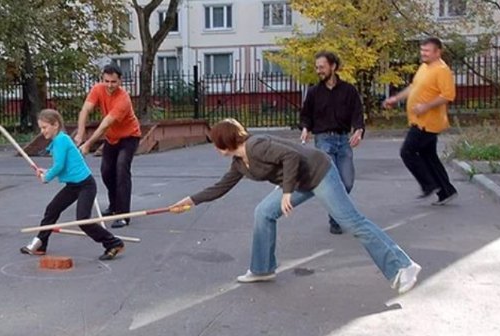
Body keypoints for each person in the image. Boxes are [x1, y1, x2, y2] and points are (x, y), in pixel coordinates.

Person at [169, 118, 422, 294]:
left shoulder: (256, 146)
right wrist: (190, 201)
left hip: (319, 173)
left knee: (352, 222)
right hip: (299, 182)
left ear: (226, 140)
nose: (215, 149)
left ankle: (403, 265)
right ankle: (262, 268)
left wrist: (287, 191)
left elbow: (292, 156)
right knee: (263, 213)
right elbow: (220, 186)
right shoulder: (239, 163)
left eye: (216, 143)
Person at [20, 109, 126, 261]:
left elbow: (59, 166)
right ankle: (40, 244)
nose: (42, 131)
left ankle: (113, 243)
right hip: (73, 185)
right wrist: (46, 171)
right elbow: (62, 166)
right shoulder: (58, 141)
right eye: (41, 128)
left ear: (55, 125)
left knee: (83, 220)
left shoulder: (61, 140)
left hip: (85, 185)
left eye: (44, 127)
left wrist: (46, 177)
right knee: (52, 209)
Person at [383, 37, 458, 205]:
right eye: (422, 50)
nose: (423, 54)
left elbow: (448, 95)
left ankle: (428, 185)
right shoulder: (425, 67)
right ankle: (446, 191)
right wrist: (395, 98)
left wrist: (426, 106)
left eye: (427, 51)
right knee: (429, 156)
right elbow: (413, 87)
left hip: (429, 122)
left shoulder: (442, 70)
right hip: (418, 120)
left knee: (407, 152)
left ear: (438, 52)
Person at [300, 51, 365, 235]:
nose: (318, 70)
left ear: (333, 67)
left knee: (347, 182)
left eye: (322, 67)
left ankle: (337, 214)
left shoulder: (349, 90)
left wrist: (359, 130)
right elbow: (306, 116)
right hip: (323, 141)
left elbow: (357, 113)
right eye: (317, 67)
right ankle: (336, 219)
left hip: (343, 140)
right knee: (332, 182)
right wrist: (305, 128)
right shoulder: (313, 92)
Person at [74, 64, 142, 228]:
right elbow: (85, 110)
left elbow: (105, 124)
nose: (110, 85)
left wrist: (88, 144)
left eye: (113, 82)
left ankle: (124, 215)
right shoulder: (98, 89)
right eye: (107, 81)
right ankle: (114, 207)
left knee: (121, 169)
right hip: (112, 138)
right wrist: (80, 135)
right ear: (102, 79)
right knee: (106, 171)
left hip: (129, 137)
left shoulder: (123, 98)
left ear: (120, 81)